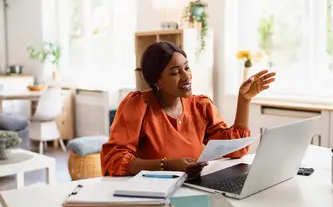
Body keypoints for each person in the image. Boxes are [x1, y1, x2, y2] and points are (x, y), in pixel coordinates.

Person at [101, 41, 276, 177]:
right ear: (156, 81)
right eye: (175, 72)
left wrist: (244, 100)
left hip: (194, 188)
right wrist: (166, 165)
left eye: (187, 67)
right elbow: (113, 161)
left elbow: (235, 150)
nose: (187, 76)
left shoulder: (200, 106)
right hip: (154, 195)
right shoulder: (138, 106)